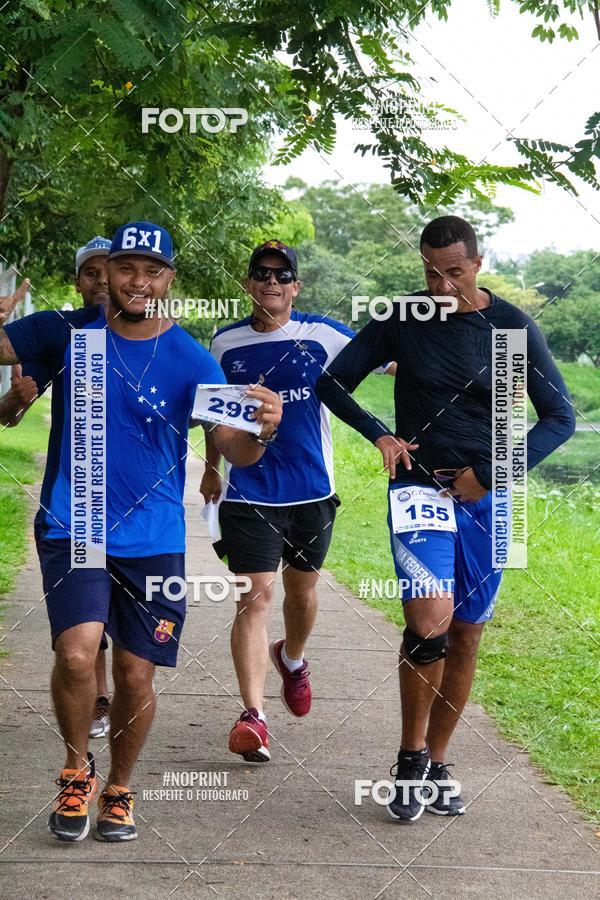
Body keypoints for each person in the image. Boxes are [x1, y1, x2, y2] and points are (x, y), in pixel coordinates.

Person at [0, 221, 282, 843]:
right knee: (76, 653)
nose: (137, 280)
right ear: (108, 270)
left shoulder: (191, 358)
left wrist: (264, 427)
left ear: (168, 280)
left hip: (154, 537)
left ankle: (121, 789)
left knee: (134, 673)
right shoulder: (68, 333)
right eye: (126, 267)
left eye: (152, 271)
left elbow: (234, 448)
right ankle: (77, 771)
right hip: (76, 524)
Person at [316, 215, 575, 822]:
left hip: (491, 498)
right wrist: (381, 434)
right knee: (429, 622)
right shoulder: (403, 318)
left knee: (466, 632)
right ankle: (409, 759)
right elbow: (332, 382)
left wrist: (491, 475)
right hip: (419, 490)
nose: (440, 286)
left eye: (453, 273)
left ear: (477, 264)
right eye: (431, 273)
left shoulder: (511, 328)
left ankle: (437, 761)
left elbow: (556, 418)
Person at [202, 239, 394, 762]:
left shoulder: (323, 335)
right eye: (261, 274)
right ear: (247, 283)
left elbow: (390, 363)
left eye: (282, 275)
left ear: (296, 286)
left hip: (312, 491)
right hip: (249, 491)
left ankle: (292, 657)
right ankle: (253, 717)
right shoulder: (225, 344)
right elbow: (215, 413)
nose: (271, 282)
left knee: (301, 596)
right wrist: (212, 470)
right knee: (253, 598)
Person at [0, 237, 114, 740]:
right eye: (91, 272)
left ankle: (108, 699)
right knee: (79, 638)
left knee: (129, 646)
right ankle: (94, 705)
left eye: (112, 270)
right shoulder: (63, 334)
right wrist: (13, 400)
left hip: (142, 515)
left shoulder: (159, 340)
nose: (103, 281)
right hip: (79, 507)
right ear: (77, 282)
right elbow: (9, 413)